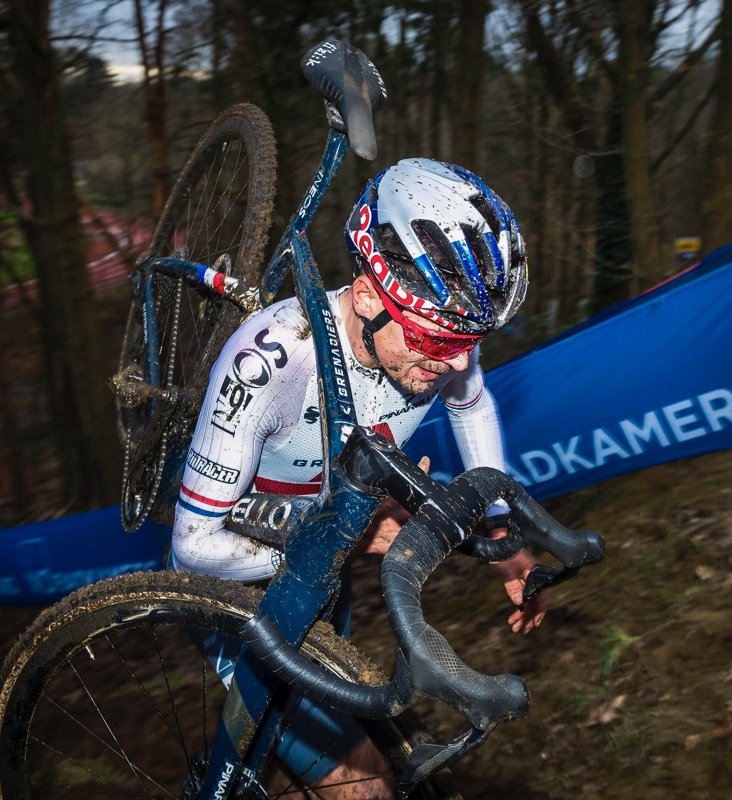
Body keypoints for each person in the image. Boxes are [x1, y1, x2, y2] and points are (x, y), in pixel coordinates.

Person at [171, 157, 545, 798]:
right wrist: (353, 532)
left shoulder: (441, 324)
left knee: (299, 758)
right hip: (233, 589)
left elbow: (471, 403)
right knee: (364, 788)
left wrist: (503, 536)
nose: (457, 359)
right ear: (371, 296)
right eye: (438, 343)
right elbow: (193, 548)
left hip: (321, 564)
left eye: (473, 339)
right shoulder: (270, 362)